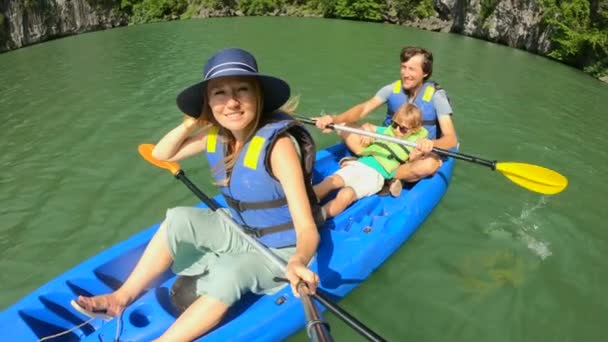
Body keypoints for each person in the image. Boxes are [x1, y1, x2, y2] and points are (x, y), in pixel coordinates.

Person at [71, 48, 324, 341]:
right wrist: (193, 121)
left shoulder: (278, 148)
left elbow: (306, 228)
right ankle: (120, 298)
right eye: (219, 93)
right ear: (208, 102)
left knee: (230, 273)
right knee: (178, 218)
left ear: (258, 96)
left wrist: (298, 260)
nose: (231, 102)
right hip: (241, 229)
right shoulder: (216, 135)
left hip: (281, 248)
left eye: (242, 90)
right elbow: (161, 153)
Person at [315, 46, 458, 187]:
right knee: (344, 127)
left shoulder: (437, 96)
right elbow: (364, 108)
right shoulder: (392, 89)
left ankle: (381, 171)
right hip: (385, 146)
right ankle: (379, 167)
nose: (405, 74)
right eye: (403, 67)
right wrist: (335, 120)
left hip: (413, 154)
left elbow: (451, 139)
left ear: (425, 73)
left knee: (429, 165)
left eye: (411, 69)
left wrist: (431, 144)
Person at [314, 103, 428, 218]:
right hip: (360, 165)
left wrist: (418, 153)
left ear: (414, 130)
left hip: (376, 176)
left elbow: (411, 163)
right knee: (331, 181)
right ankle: (302, 203)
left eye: (403, 129)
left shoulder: (414, 144)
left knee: (346, 194)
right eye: (394, 124)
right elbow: (368, 126)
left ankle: (317, 217)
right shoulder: (387, 131)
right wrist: (367, 132)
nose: (397, 130)